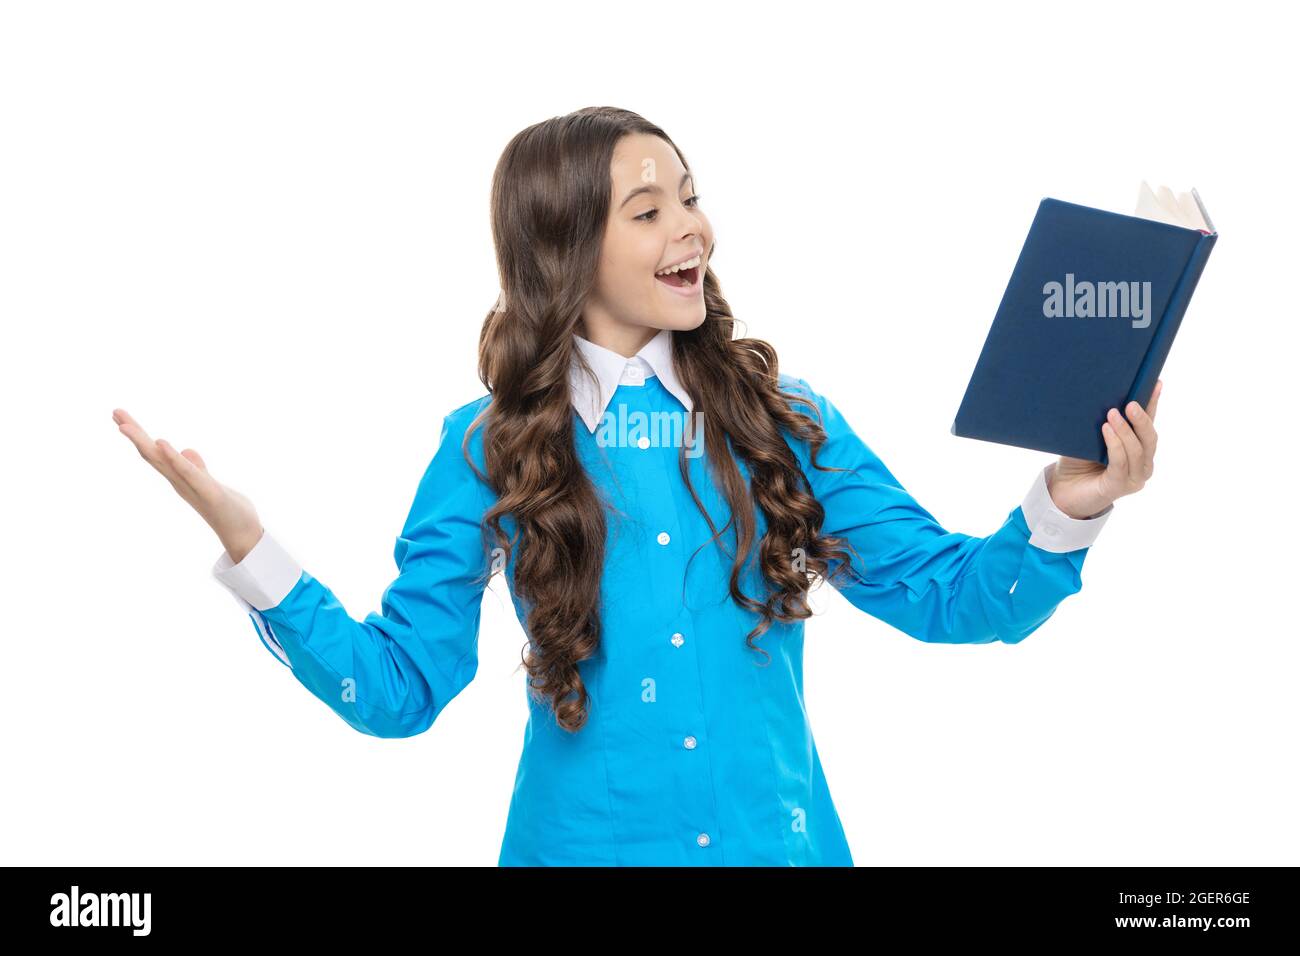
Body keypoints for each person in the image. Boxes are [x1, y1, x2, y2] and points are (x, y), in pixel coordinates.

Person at [112, 106, 1161, 866]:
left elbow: (951, 595)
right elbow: (398, 690)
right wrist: (256, 553)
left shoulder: (783, 421)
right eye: (650, 211)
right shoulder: (484, 445)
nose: (693, 232)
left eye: (692, 199)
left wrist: (1071, 499)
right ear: (565, 248)